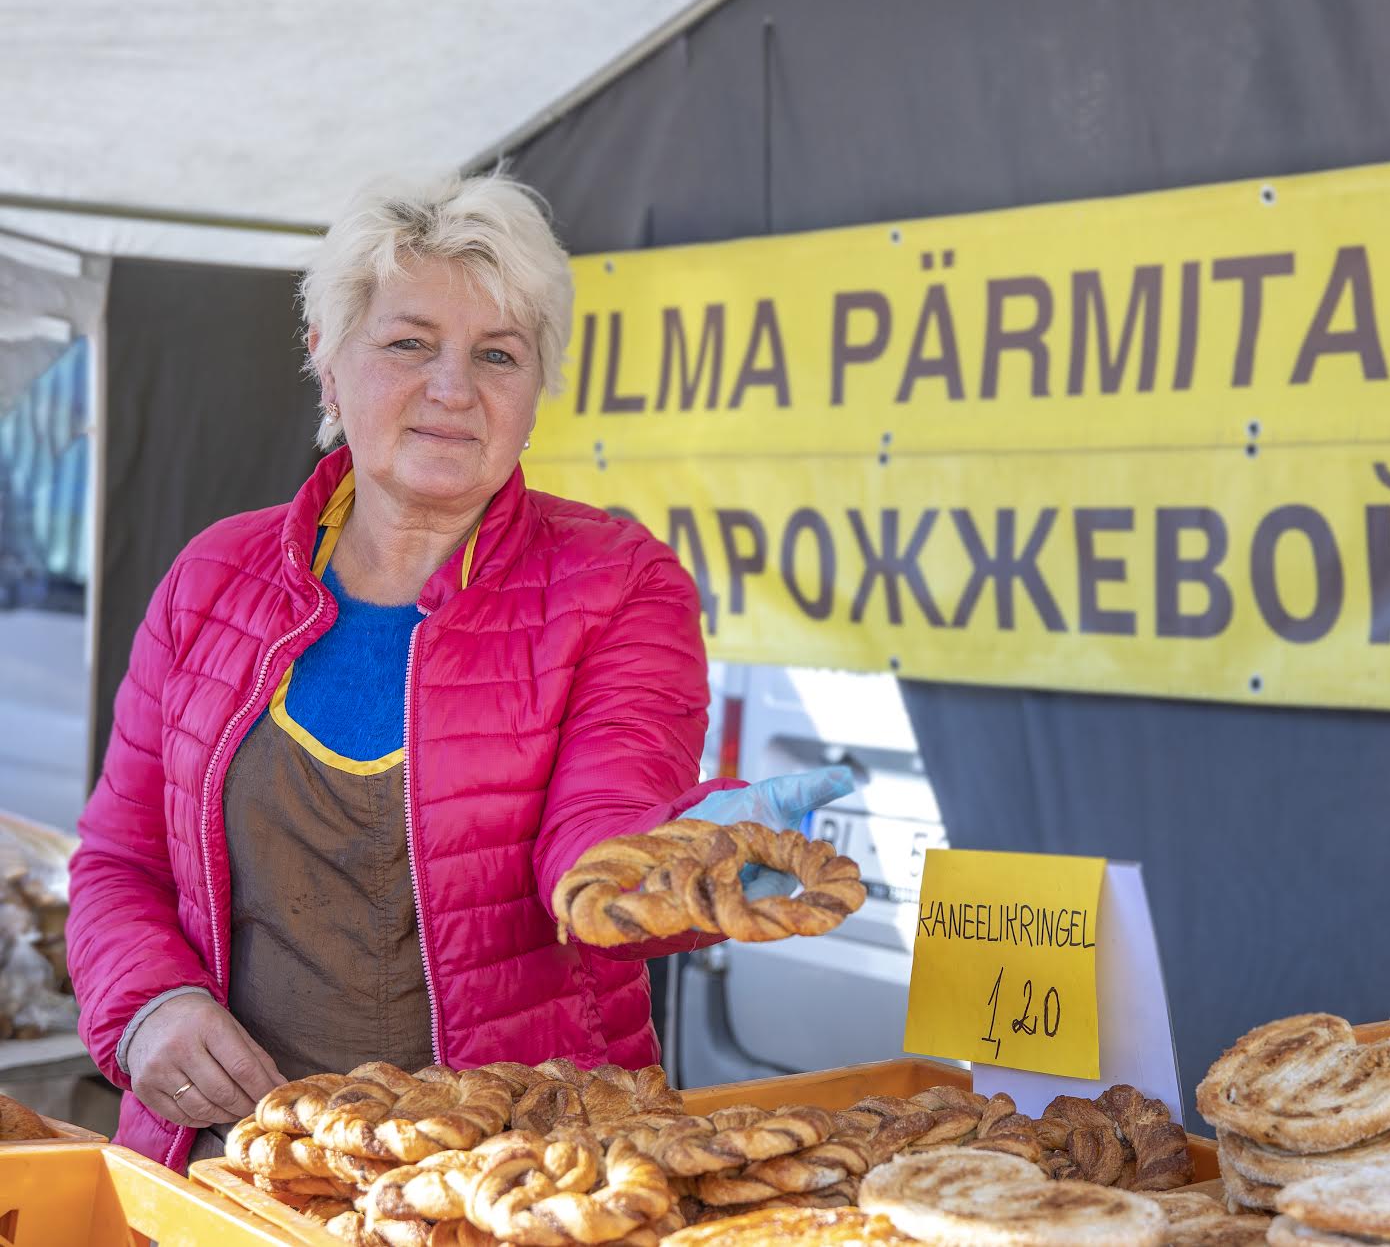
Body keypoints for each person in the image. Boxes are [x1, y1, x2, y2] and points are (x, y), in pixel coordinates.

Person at [65, 171, 848, 1169]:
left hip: (514, 1181)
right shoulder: (215, 576)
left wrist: (677, 857)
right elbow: (119, 863)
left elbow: (596, 838)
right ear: (326, 357)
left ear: (536, 388)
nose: (452, 388)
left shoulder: (616, 584)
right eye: (409, 344)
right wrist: (149, 1006)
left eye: (498, 355)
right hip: (232, 1170)